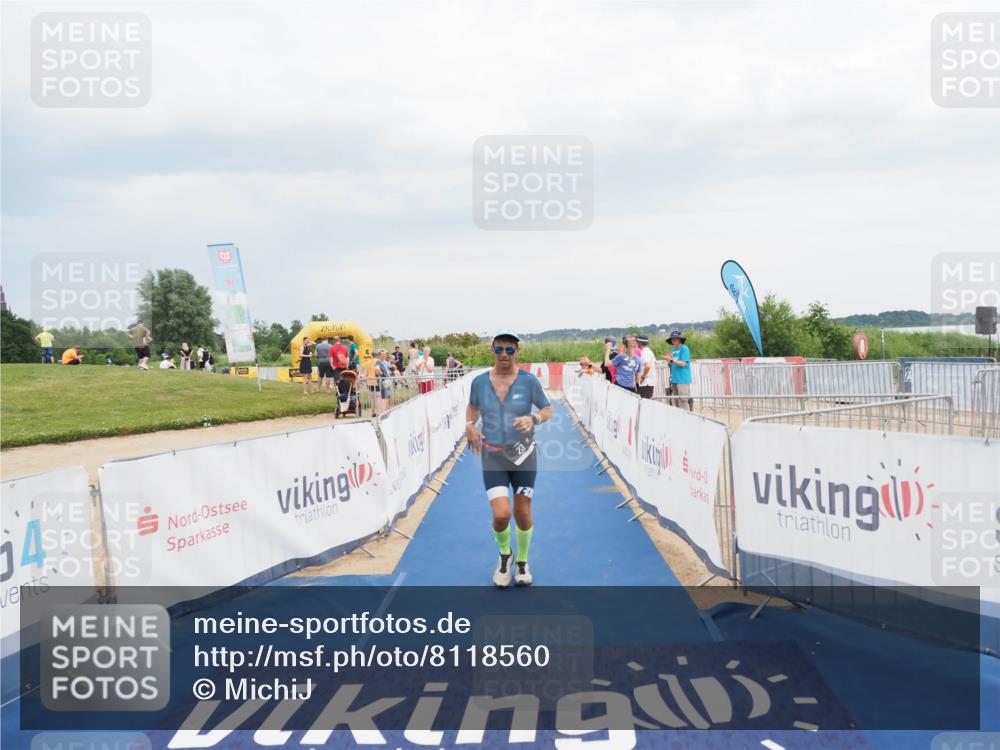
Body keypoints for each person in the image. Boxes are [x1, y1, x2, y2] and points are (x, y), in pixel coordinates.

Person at [466, 330, 553, 588]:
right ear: (492, 350)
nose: (504, 354)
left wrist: (534, 418)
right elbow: (472, 406)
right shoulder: (479, 382)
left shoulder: (529, 382)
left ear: (518, 352)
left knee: (523, 511)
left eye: (510, 350)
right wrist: (470, 423)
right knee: (502, 514)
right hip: (493, 456)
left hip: (524, 456)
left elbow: (548, 408)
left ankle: (523, 562)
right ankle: (505, 554)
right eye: (499, 349)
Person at [665, 331, 693, 410]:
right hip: (675, 379)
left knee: (683, 401)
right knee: (676, 402)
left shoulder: (684, 348)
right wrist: (669, 361)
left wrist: (671, 360)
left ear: (680, 339)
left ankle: (687, 418)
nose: (673, 341)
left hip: (683, 379)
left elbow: (683, 364)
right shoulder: (673, 350)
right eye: (672, 339)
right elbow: (671, 364)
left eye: (675, 339)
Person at [330, 336, 351, 401]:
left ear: (334, 341)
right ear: (339, 340)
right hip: (344, 367)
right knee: (344, 380)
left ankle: (338, 393)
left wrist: (332, 365)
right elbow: (347, 357)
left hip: (336, 367)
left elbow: (331, 358)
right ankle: (344, 392)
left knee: (337, 381)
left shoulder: (332, 348)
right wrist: (347, 365)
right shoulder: (345, 347)